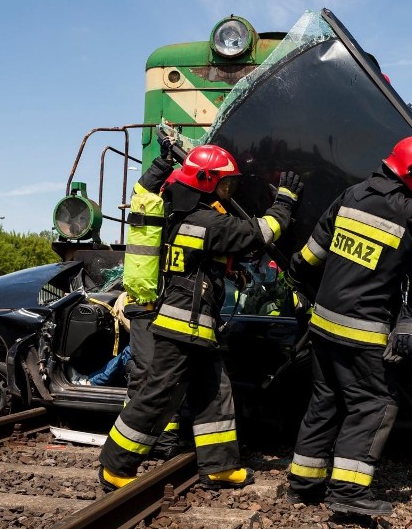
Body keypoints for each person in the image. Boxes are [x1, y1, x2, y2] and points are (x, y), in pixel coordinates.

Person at [284, 136, 412, 517]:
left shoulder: (351, 195)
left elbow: (309, 257)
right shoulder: (405, 209)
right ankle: (349, 493)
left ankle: (304, 484)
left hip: (322, 324)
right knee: (376, 404)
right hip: (361, 331)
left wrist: (297, 285)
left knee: (326, 401)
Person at [98, 142, 305, 491]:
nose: (230, 191)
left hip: (198, 325)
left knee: (214, 393)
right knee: (157, 396)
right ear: (207, 181)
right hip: (182, 326)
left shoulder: (184, 214)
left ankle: (220, 466)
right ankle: (115, 465)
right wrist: (284, 202)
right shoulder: (205, 220)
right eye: (226, 184)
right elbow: (259, 233)